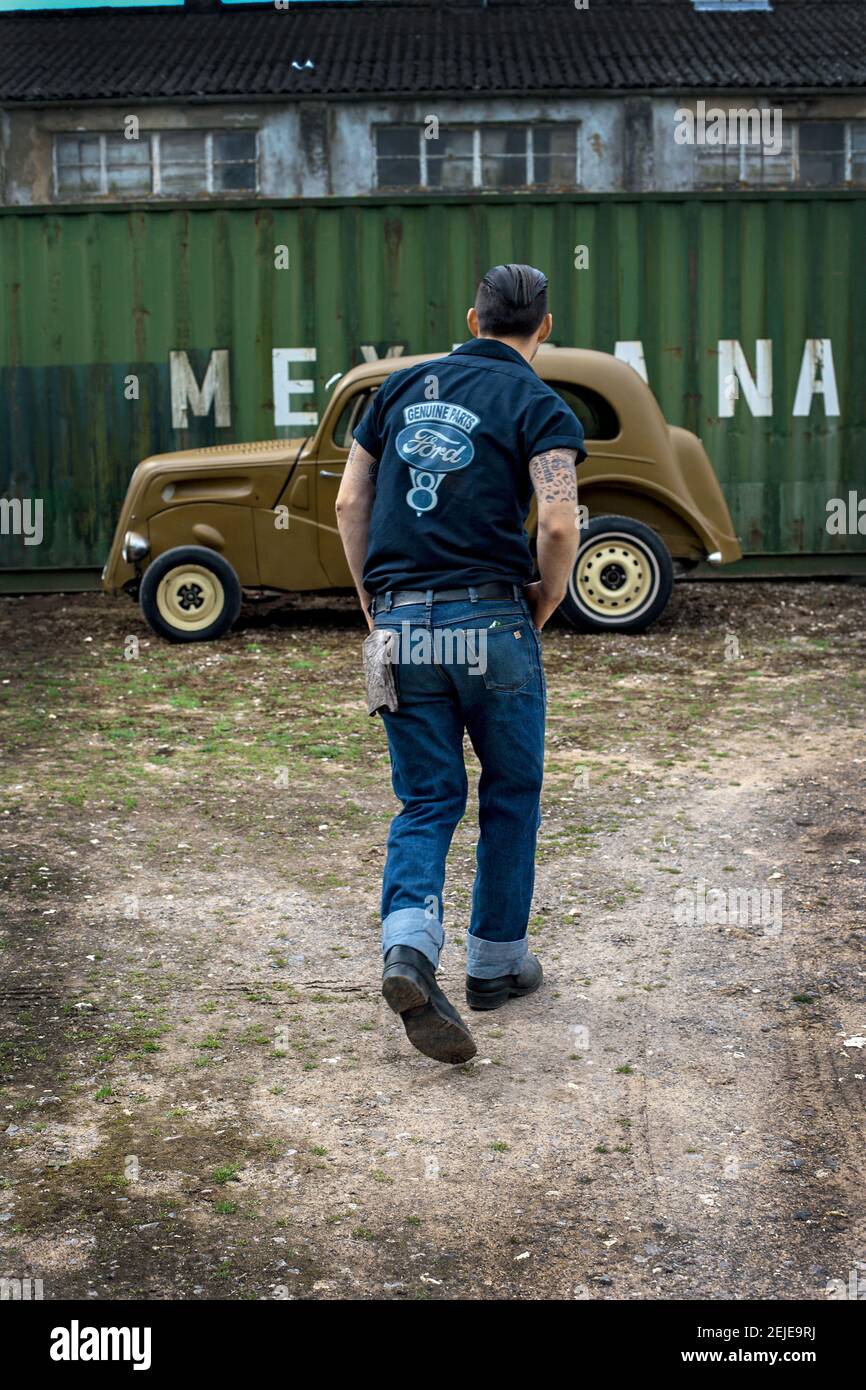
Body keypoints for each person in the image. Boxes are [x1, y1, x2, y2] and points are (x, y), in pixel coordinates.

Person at [336, 264, 585, 1063]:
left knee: (426, 799)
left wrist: (375, 601)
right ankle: (494, 963)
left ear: (472, 317)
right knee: (510, 791)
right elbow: (556, 524)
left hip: (403, 627)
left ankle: (408, 951)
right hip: (492, 621)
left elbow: (349, 503)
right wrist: (542, 604)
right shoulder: (542, 406)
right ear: (543, 328)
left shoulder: (399, 388)